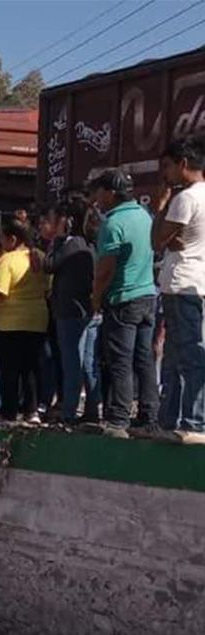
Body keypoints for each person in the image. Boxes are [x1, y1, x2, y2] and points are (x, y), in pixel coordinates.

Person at [89, 169, 161, 439]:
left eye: (99, 191)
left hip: (123, 299)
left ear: (110, 192)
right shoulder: (144, 215)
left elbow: (105, 270)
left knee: (120, 361)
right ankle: (149, 417)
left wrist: (96, 298)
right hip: (147, 295)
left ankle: (118, 420)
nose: (96, 197)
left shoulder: (112, 223)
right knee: (145, 359)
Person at [153, 135, 205, 444]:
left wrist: (161, 206)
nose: (165, 174)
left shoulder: (185, 199)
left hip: (181, 284)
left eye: (167, 166)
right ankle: (169, 420)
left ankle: (193, 422)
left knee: (186, 357)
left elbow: (157, 241)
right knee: (174, 358)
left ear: (184, 164)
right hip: (196, 284)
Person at [0, 220, 49, 424]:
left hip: (9, 322)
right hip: (37, 320)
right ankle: (32, 410)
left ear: (12, 239)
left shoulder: (7, 261)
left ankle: (8, 411)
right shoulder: (40, 257)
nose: (0, 242)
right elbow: (49, 287)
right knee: (31, 368)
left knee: (9, 369)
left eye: (2, 237)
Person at [41, 195, 101, 424]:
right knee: (89, 363)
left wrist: (57, 239)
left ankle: (69, 411)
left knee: (72, 362)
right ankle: (92, 409)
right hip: (89, 310)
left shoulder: (71, 244)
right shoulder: (90, 242)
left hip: (71, 311)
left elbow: (48, 265)